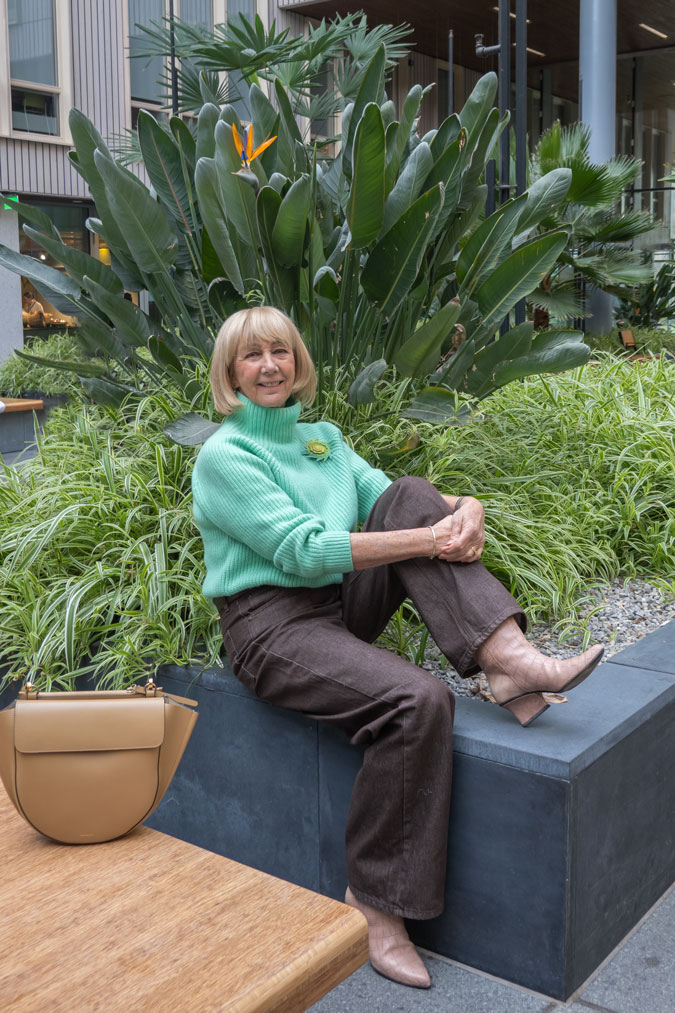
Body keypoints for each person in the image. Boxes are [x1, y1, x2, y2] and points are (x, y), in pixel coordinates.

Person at [191, 306, 603, 989]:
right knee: (418, 699)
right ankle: (375, 904)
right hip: (270, 626)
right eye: (251, 356)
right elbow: (302, 549)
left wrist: (464, 507)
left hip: (333, 606)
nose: (268, 366)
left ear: (297, 363)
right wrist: (430, 538)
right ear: (229, 372)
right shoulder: (225, 455)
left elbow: (401, 500)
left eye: (280, 351)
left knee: (414, 491)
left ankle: (507, 661)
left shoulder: (321, 436)